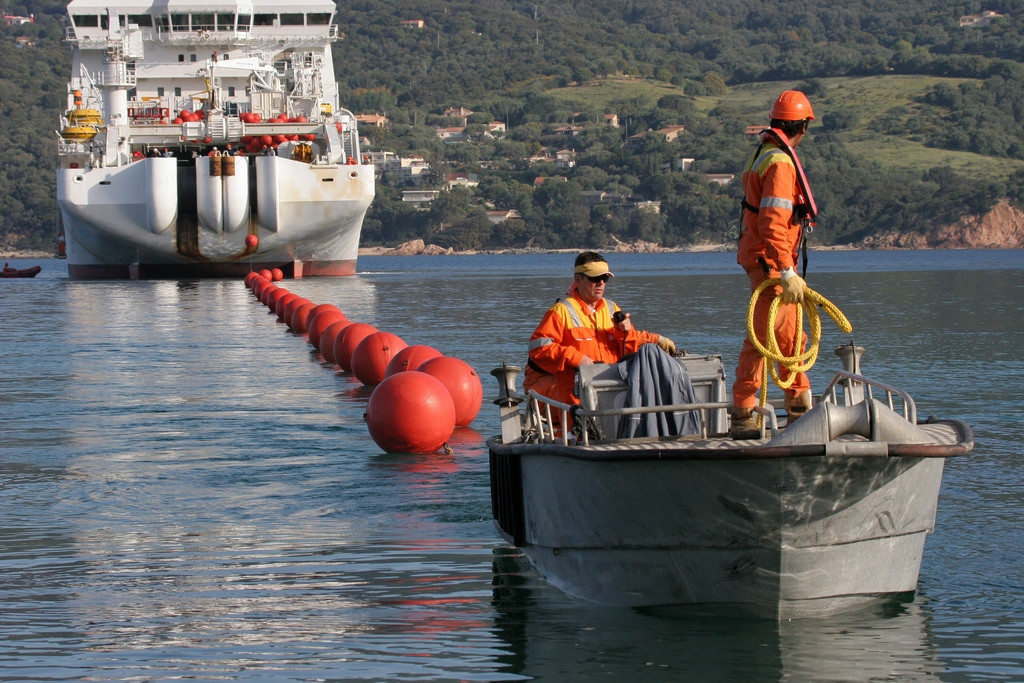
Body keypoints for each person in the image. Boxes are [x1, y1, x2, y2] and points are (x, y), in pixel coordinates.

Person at [730, 90, 817, 439]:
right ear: (804, 127)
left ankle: (743, 412)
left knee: (762, 335)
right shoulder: (780, 162)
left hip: (761, 259)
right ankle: (799, 412)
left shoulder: (764, 154)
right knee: (787, 337)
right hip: (771, 263)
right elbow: (773, 223)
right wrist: (787, 269)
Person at [524, 251, 677, 411]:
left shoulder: (612, 308)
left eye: (605, 279)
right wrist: (576, 358)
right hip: (576, 400)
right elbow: (538, 348)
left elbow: (629, 344)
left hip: (612, 395)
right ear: (578, 279)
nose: (601, 283)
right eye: (595, 278)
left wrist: (649, 338)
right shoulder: (561, 311)